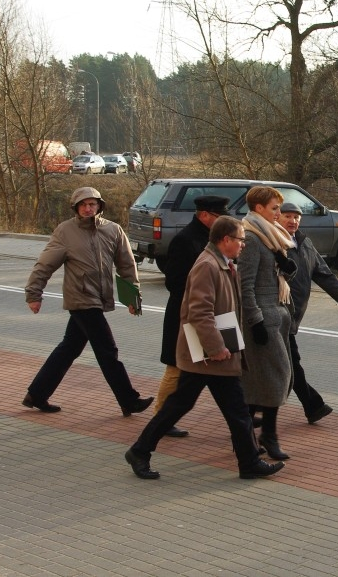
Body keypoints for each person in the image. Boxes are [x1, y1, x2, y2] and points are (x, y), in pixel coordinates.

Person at [124, 216, 284, 480]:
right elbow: (199, 312)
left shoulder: (222, 264)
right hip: (211, 355)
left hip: (214, 354)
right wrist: (216, 347)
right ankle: (140, 451)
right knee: (212, 408)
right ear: (225, 240)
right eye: (240, 239)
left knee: (224, 410)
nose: (243, 244)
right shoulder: (207, 266)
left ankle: (248, 462)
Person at [22, 187, 153, 416]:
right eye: (83, 205)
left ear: (99, 206)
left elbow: (126, 266)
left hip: (99, 298)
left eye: (92, 204)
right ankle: (128, 399)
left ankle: (37, 394)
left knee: (69, 348)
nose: (88, 208)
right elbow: (45, 264)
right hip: (81, 298)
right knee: (107, 350)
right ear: (76, 207)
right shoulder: (66, 231)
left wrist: (133, 298)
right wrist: (34, 294)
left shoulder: (113, 230)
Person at [155, 194, 230, 437]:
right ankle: (160, 418)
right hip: (187, 315)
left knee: (223, 370)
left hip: (214, 314)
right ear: (204, 215)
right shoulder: (185, 240)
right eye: (219, 217)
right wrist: (200, 290)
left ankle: (241, 415)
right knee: (177, 369)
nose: (223, 221)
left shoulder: (214, 239)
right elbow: (174, 282)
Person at [278, 202, 338, 423]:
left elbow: (323, 273)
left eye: (296, 217)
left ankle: (254, 405)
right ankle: (313, 406)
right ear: (277, 218)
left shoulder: (303, 243)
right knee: (291, 363)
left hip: (292, 316)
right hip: (277, 314)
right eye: (288, 216)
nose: (293, 221)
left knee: (286, 364)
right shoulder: (274, 243)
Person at [239, 186, 297, 461]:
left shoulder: (270, 236)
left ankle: (247, 434)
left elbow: (271, 276)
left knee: (260, 380)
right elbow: (244, 285)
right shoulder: (251, 237)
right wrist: (256, 320)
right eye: (274, 208)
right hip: (263, 318)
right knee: (276, 377)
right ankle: (268, 435)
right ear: (258, 208)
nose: (279, 214)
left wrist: (283, 268)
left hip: (277, 314)